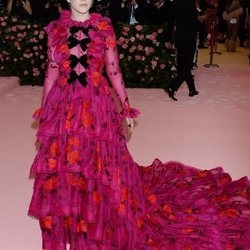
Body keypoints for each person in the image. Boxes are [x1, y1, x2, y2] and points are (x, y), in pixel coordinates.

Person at [28, 0, 250, 249]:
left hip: (96, 107)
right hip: (63, 106)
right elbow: (52, 70)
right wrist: (46, 110)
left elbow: (113, 70)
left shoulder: (103, 27)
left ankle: (93, 218)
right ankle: (73, 212)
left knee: (98, 164)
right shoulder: (56, 28)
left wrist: (125, 107)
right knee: (66, 164)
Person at [167, 0, 199, 101]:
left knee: (183, 64)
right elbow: (194, 21)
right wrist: (204, 32)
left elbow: (170, 21)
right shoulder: (189, 2)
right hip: (188, 37)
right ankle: (172, 86)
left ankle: (192, 89)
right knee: (187, 65)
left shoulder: (175, 2)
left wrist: (168, 38)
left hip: (179, 37)